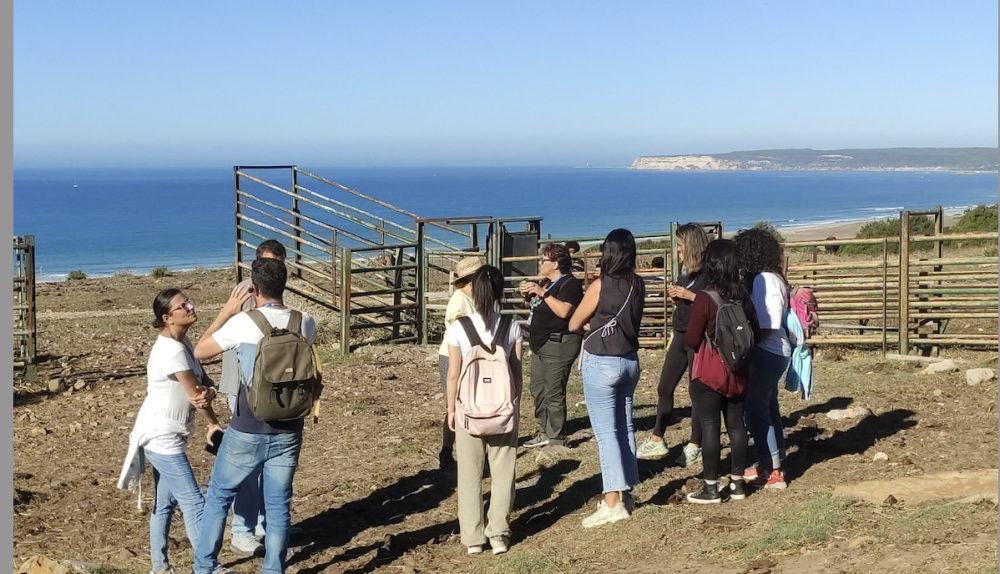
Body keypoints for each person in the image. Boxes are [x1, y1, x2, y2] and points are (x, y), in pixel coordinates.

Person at [192, 257, 318, 574]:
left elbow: (200, 350)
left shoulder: (244, 322)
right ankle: (274, 570)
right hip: (290, 428)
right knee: (278, 506)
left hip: (247, 426)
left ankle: (204, 567)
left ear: (253, 287)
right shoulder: (305, 321)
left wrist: (227, 311)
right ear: (284, 284)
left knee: (220, 496)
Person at [117, 289, 223, 574]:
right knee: (195, 502)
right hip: (161, 436)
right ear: (167, 317)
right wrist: (213, 422)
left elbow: (205, 385)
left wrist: (210, 393)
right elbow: (196, 396)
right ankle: (208, 568)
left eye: (189, 301)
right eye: (183, 305)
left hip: (169, 432)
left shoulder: (183, 342)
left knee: (164, 504)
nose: (190, 306)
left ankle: (159, 568)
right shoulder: (172, 350)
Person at [569, 228, 645, 528]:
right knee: (625, 427)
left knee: (606, 434)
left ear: (607, 252)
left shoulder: (601, 285)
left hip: (602, 361)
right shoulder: (638, 284)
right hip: (629, 361)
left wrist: (590, 326)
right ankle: (626, 491)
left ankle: (612, 501)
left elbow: (575, 321)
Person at [446, 265, 524, 555]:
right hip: (503, 410)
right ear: (499, 293)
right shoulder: (512, 326)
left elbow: (453, 374)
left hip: (469, 411)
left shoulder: (459, 328)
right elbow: (516, 371)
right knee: (504, 473)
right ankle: (499, 534)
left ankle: (473, 539)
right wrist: (515, 404)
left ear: (473, 291)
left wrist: (451, 409)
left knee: (469, 475)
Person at [217, 239, 287, 556]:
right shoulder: (247, 294)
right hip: (245, 388)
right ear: (256, 265)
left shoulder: (273, 294)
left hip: (269, 387)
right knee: (250, 464)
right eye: (268, 263)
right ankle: (243, 530)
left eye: (278, 264)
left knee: (267, 460)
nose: (273, 269)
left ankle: (263, 523)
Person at [683, 239, 759, 503]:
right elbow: (755, 334)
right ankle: (737, 484)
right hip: (739, 369)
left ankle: (711, 487)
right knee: (737, 426)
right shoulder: (743, 295)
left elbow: (692, 340)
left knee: (710, 426)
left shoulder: (705, 297)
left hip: (710, 371)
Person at [637, 224, 710, 465]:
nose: (677, 250)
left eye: (679, 246)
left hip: (698, 336)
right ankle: (657, 438)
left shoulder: (708, 271)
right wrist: (676, 295)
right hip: (679, 333)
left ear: (691, 245)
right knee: (664, 386)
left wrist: (689, 296)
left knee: (695, 392)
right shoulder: (685, 270)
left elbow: (713, 300)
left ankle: (695, 443)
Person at [734, 227, 792, 490]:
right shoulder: (774, 278)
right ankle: (772, 461)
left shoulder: (763, 281)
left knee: (756, 411)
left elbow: (767, 323)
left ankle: (771, 469)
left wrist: (746, 343)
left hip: (767, 350)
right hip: (776, 350)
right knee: (768, 407)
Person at [518, 243, 584, 448]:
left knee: (553, 390)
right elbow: (538, 308)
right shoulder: (547, 283)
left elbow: (564, 311)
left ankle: (556, 438)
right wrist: (527, 295)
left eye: (543, 260)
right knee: (538, 388)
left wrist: (542, 293)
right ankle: (545, 429)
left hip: (558, 344)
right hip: (541, 343)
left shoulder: (569, 284)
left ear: (555, 263)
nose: (540, 263)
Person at [437, 256, 483, 470]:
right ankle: (449, 450)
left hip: (470, 355)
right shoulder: (459, 299)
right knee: (457, 403)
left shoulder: (475, 297)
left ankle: (462, 449)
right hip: (455, 356)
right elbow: (457, 326)